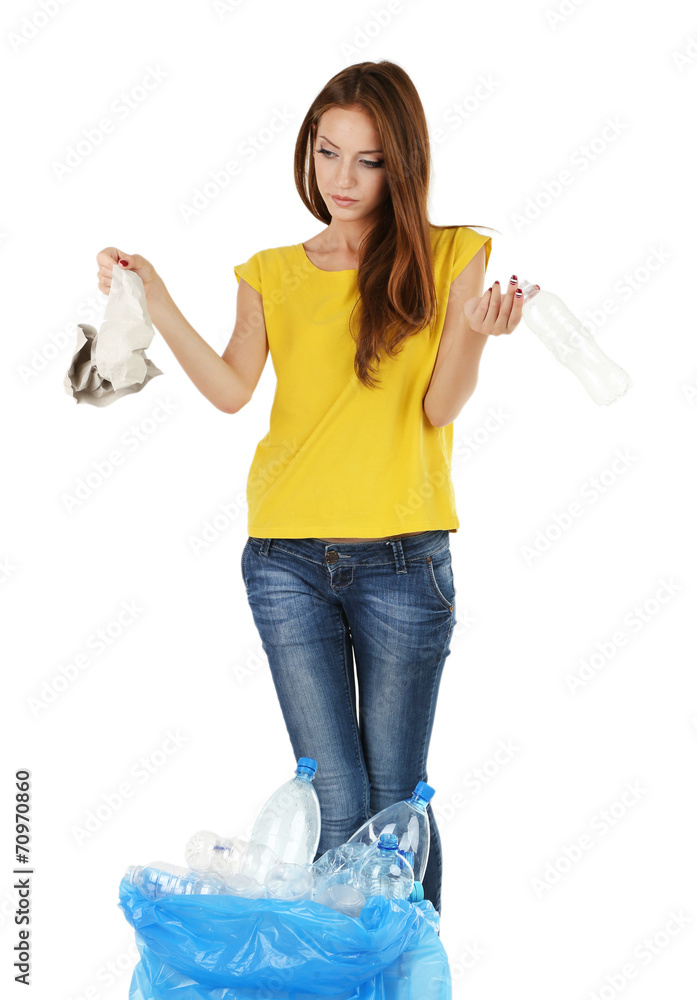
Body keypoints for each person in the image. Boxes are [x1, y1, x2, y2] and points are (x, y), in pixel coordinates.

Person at [96, 60, 530, 920]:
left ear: (400, 164)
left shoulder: (453, 255)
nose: (341, 180)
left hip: (406, 561)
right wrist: (157, 295)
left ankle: (408, 974)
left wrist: (477, 336)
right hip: (285, 559)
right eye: (327, 153)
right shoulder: (270, 272)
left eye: (366, 161)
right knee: (335, 804)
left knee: (397, 809)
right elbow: (228, 390)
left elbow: (438, 405)